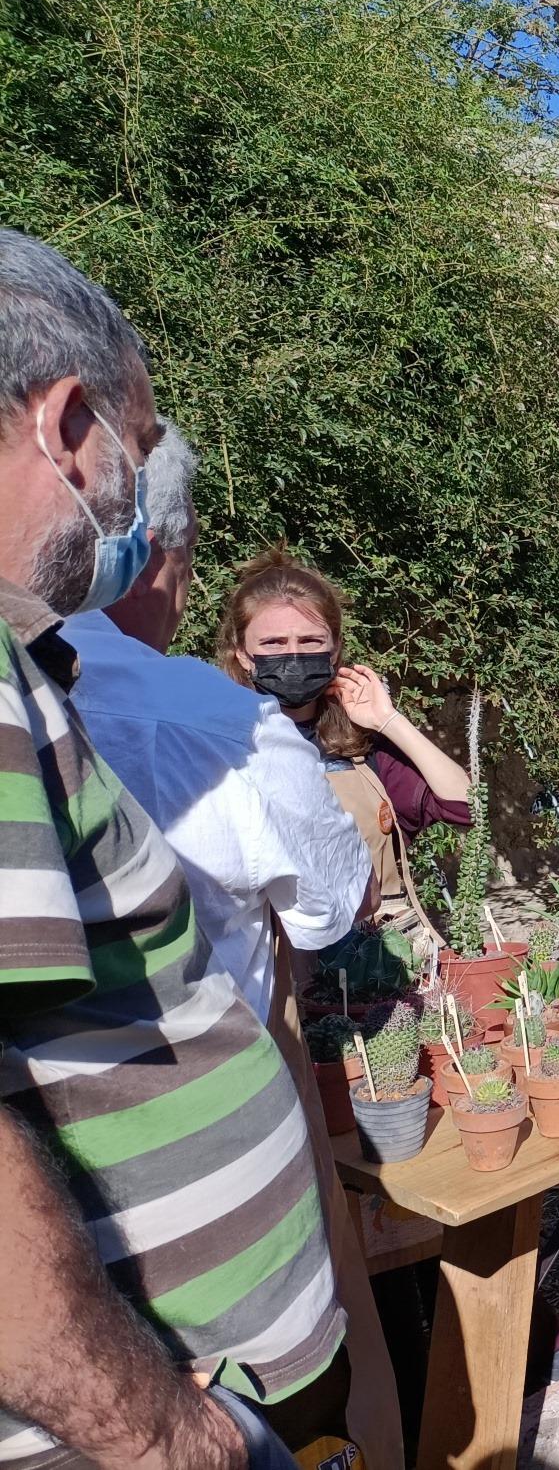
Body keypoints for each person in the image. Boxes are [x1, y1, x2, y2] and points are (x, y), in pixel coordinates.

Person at [0, 227, 340, 1470]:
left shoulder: (29, 662)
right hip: (149, 1415)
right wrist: (156, 1432)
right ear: (67, 423)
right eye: (134, 450)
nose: (139, 492)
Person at [62, 427, 402, 1469]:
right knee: (286, 1425)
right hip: (212, 1163)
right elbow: (324, 913)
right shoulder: (223, 723)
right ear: (167, 554)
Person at [216, 547, 471, 928]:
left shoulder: (362, 747)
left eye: (310, 641)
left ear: (334, 650)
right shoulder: (217, 747)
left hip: (383, 962)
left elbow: (467, 809)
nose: (293, 654)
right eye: (273, 644)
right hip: (276, 968)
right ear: (243, 654)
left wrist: (388, 721)